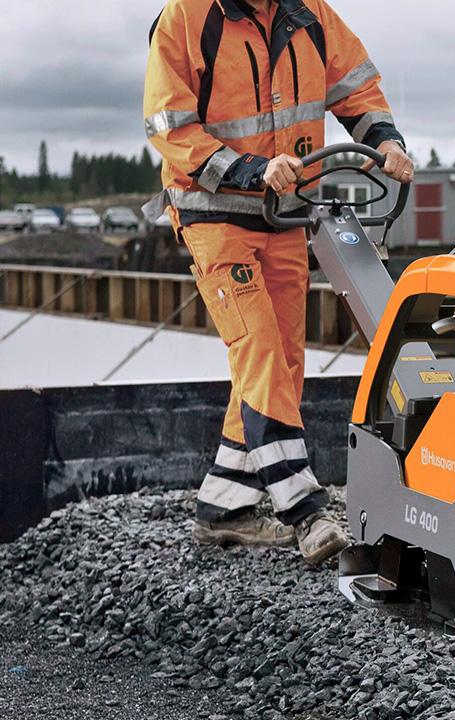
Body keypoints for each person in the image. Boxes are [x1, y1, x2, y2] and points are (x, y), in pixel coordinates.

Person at [143, 0, 414, 564]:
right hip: (214, 216)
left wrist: (387, 141)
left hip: (286, 215)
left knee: (284, 361)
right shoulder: (187, 18)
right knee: (259, 349)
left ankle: (225, 506)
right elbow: (171, 127)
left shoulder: (310, 13)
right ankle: (302, 505)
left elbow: (353, 86)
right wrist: (247, 170)